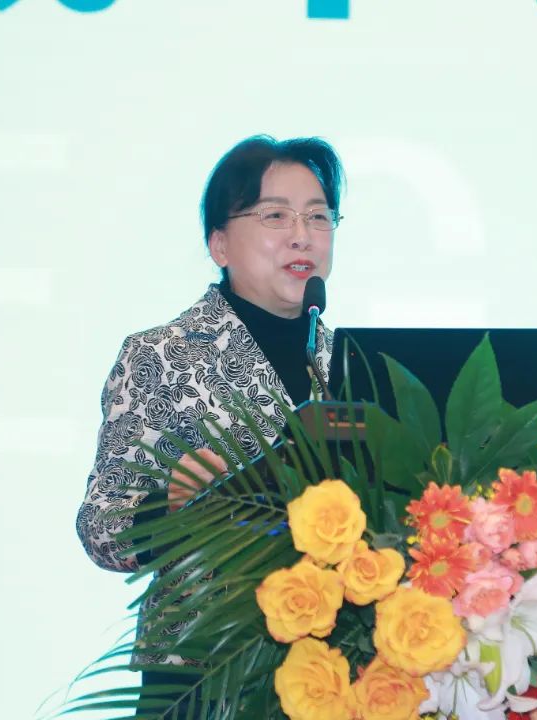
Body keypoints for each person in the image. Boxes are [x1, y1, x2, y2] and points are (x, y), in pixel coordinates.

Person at [74, 134, 344, 715]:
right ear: (219, 243)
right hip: (201, 676)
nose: (302, 235)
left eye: (319, 217)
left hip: (332, 674)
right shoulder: (161, 355)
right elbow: (100, 527)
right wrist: (171, 504)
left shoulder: (351, 365)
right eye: (276, 215)